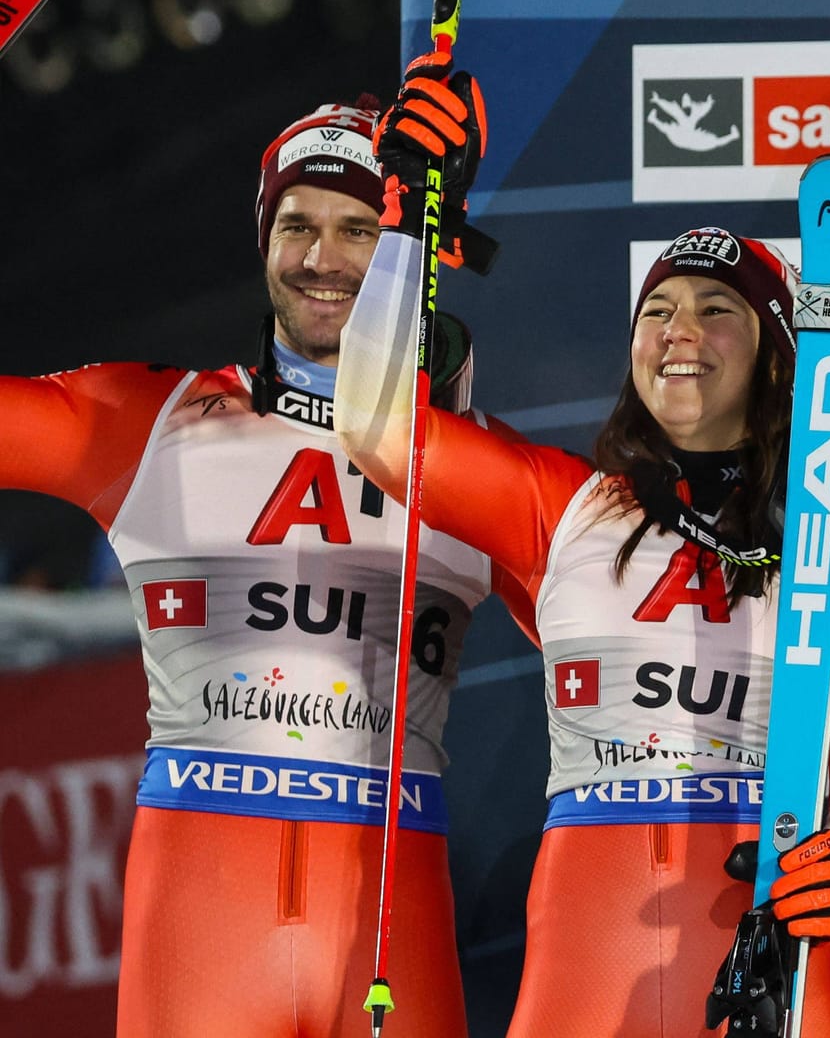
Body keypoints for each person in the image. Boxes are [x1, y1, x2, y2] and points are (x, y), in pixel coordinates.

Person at [333, 83, 830, 1036]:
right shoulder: (564, 508)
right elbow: (370, 426)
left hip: (767, 953)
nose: (677, 333)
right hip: (584, 960)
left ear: (781, 359)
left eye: (714, 310)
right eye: (657, 311)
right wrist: (405, 224)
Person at [0, 74, 518, 1036]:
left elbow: (646, 611)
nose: (322, 259)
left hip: (387, 921)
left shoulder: (479, 468)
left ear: (408, 247)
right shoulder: (149, 421)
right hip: (201, 919)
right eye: (297, 226)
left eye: (359, 229)